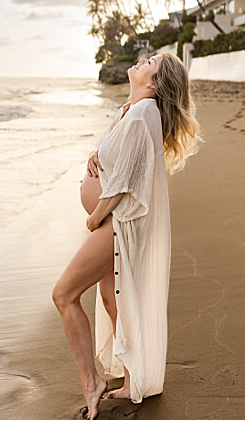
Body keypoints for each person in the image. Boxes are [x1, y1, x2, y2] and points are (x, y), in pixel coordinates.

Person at [52, 52, 200, 419]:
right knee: (110, 297)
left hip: (116, 223)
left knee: (64, 294)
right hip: (112, 223)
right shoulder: (130, 110)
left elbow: (128, 182)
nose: (141, 59)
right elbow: (121, 157)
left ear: (154, 82)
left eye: (150, 61)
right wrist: (95, 153)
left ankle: (92, 382)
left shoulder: (145, 111)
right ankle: (133, 379)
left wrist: (96, 217)